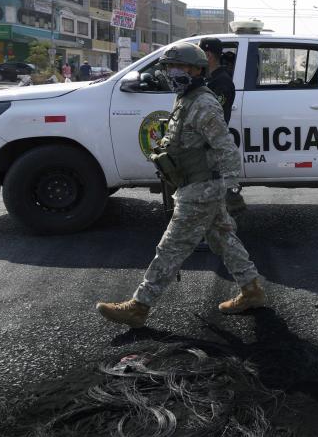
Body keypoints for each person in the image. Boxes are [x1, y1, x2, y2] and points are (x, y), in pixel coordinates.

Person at [96, 43, 266, 327]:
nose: (173, 73)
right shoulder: (185, 99)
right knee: (222, 238)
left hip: (200, 190)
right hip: (195, 185)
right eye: (169, 68)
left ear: (197, 70)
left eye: (180, 67)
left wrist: (232, 188)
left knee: (171, 247)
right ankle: (252, 290)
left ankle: (139, 306)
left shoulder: (203, 103)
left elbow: (226, 147)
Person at [199, 37, 247, 217]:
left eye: (200, 53)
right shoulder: (209, 79)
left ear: (208, 55)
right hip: (208, 145)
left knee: (216, 199)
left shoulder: (222, 82)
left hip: (212, 145)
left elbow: (212, 117)